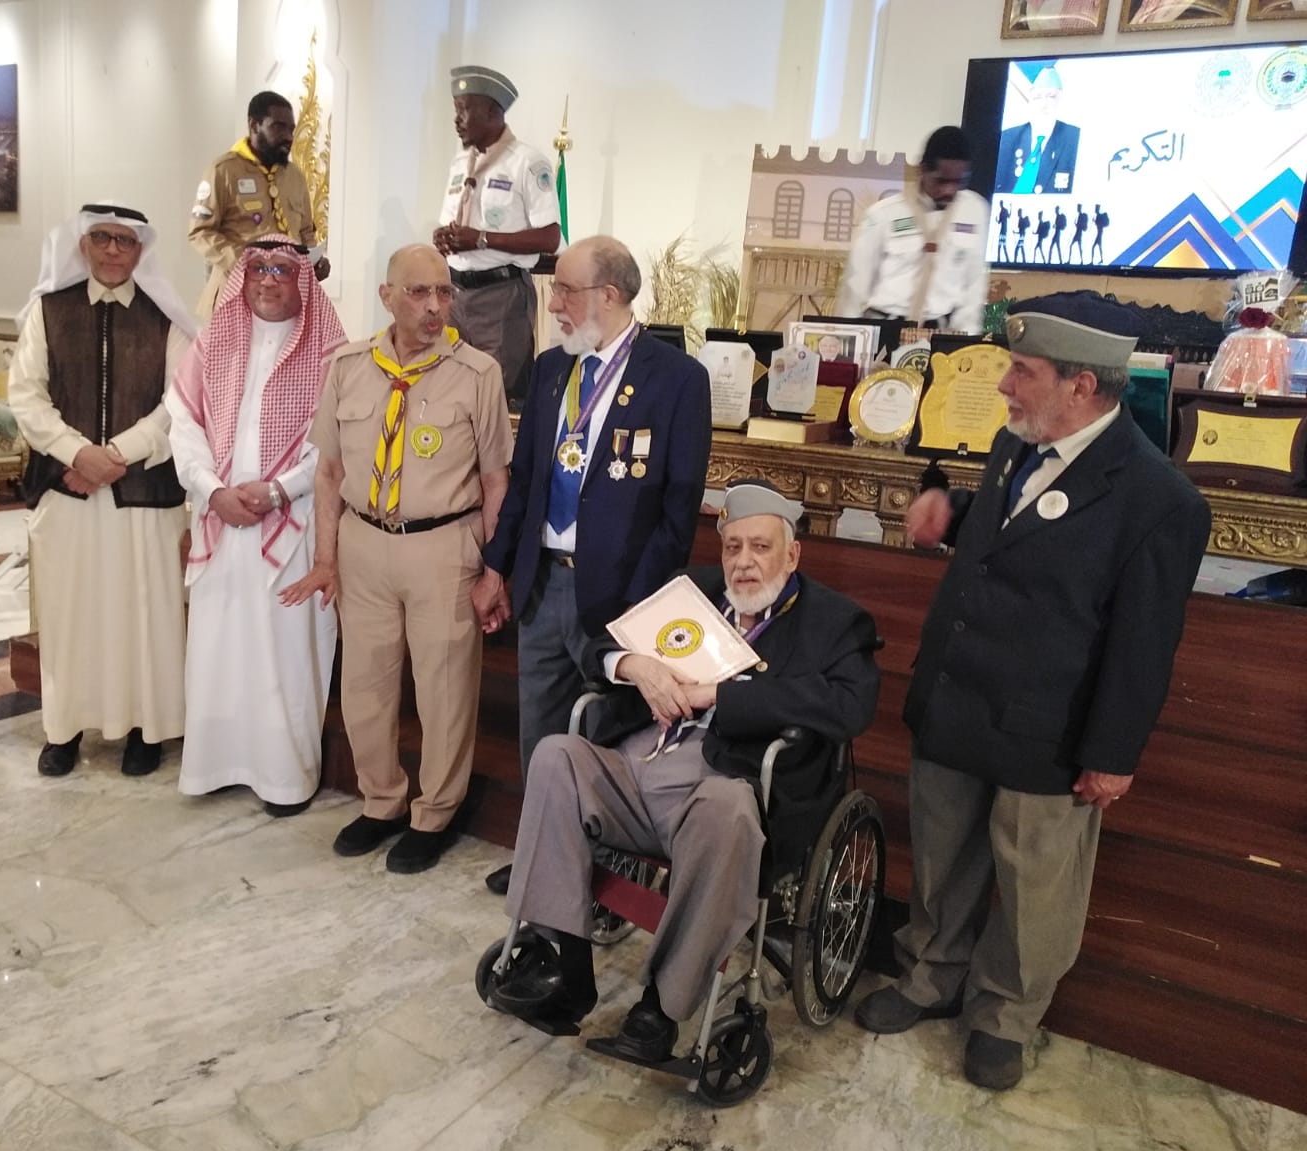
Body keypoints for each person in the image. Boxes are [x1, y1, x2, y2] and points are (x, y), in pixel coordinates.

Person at [854, 292, 1212, 1092]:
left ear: (1081, 386)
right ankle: (930, 978)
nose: (1004, 384)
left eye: (1023, 370)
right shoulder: (1017, 441)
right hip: (958, 701)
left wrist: (1112, 755)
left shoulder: (1160, 500)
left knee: (1034, 890)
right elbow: (1020, 534)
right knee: (942, 862)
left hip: (1049, 730)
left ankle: (1004, 1018)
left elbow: (1145, 643)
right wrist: (953, 515)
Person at [485, 481, 880, 1059]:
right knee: (555, 756)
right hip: (635, 768)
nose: (744, 562)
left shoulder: (834, 622)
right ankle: (566, 965)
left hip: (720, 787)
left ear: (792, 554)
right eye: (733, 547)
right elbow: (598, 645)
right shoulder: (692, 592)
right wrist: (633, 664)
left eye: (761, 547)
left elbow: (850, 706)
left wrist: (720, 694)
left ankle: (660, 1008)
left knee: (728, 809)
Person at [472, 235, 712, 895]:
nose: (554, 304)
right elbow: (524, 481)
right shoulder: (552, 369)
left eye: (565, 291)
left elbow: (679, 509)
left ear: (609, 295)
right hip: (544, 583)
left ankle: (602, 873)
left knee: (606, 736)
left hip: (620, 595)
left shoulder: (676, 379)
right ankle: (540, 858)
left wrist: (639, 604)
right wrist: (496, 568)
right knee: (540, 730)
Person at [284, 245, 511, 874]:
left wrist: (493, 569)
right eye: (419, 292)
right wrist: (326, 558)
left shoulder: (478, 374)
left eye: (444, 292)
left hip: (444, 546)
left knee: (444, 689)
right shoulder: (348, 366)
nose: (435, 306)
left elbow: (497, 480)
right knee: (365, 686)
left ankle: (435, 813)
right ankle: (381, 801)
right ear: (387, 297)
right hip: (364, 543)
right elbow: (329, 474)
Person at [7, 204, 195, 778]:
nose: (114, 250)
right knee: (72, 615)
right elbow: (26, 396)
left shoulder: (165, 319)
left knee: (145, 614)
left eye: (125, 241)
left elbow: (179, 402)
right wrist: (76, 453)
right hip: (69, 495)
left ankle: (146, 730)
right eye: (102, 238)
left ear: (141, 251)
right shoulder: (48, 312)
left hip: (145, 497)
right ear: (82, 246)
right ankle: (64, 729)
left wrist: (116, 455)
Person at [168, 237, 347, 810]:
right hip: (220, 520)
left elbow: (337, 445)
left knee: (284, 653)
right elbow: (183, 423)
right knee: (218, 647)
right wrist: (212, 490)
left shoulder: (332, 353)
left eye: (282, 271)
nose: (268, 280)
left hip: (294, 523)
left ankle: (284, 777)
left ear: (303, 283)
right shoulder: (213, 342)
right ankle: (214, 766)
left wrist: (278, 490)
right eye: (259, 269)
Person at [432, 65, 561, 408]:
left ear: (492, 111)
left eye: (464, 110)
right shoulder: (461, 162)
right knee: (449, 394)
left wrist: (482, 239)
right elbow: (454, 221)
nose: (456, 120)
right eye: (455, 110)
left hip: (501, 298)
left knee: (497, 400)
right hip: (455, 294)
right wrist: (443, 236)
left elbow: (550, 237)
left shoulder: (528, 162)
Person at [188, 90, 329, 320]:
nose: (288, 137)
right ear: (254, 125)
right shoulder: (224, 171)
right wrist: (244, 263)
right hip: (235, 295)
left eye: (291, 129)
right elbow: (200, 232)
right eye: (279, 127)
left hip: (284, 298)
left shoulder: (295, 176)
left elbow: (305, 231)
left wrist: (314, 262)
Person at [836, 127, 990, 333]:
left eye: (958, 182)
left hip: (941, 332)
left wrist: (966, 339)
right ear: (922, 170)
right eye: (941, 181)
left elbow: (974, 285)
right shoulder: (883, 214)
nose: (949, 190)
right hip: (885, 328)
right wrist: (847, 335)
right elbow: (856, 286)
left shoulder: (975, 211)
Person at [995, 66, 1080, 196]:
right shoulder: (1008, 137)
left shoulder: (1075, 137)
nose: (1044, 103)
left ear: (1060, 97)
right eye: (1038, 97)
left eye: (1051, 96)